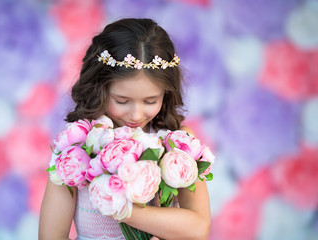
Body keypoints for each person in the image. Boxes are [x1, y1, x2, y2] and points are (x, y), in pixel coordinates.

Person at [39, 18, 211, 240]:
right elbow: (50, 235)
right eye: (122, 100)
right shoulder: (76, 148)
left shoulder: (179, 144)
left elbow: (198, 229)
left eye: (150, 101)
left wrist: (122, 207)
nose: (136, 115)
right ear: (100, 88)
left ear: (166, 93)